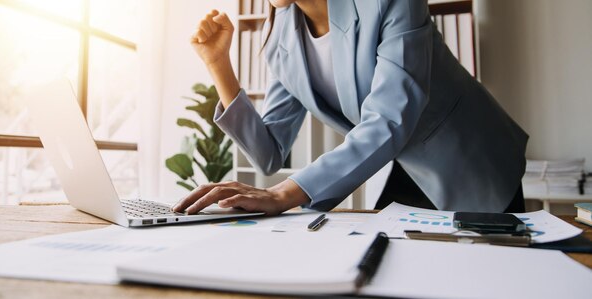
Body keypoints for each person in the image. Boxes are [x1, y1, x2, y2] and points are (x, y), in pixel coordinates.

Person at [174, 0, 528, 216]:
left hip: (470, 160)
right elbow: (268, 154)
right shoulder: (281, 36)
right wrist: (219, 65)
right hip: (402, 166)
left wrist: (284, 194)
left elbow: (390, 117)